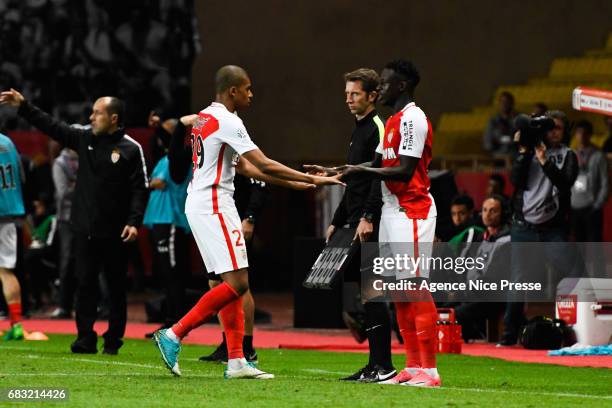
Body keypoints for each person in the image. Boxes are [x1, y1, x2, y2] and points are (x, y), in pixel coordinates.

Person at [153, 65, 343, 379]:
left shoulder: (204, 117)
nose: (251, 94)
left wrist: (297, 185)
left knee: (226, 283)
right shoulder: (229, 121)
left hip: (201, 202)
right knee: (238, 283)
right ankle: (174, 333)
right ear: (233, 91)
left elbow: (243, 168)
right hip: (214, 203)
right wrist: (311, 177)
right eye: (248, 89)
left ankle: (237, 360)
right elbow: (263, 162)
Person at [319, 59, 441, 387]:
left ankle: (430, 370)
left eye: (385, 84)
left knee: (415, 288)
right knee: (399, 293)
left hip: (411, 211)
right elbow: (376, 163)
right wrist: (339, 172)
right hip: (391, 212)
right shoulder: (393, 121)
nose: (381, 89)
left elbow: (404, 170)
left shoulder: (414, 118)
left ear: (402, 86)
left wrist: (361, 172)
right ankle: (412, 365)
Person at [0, 89, 149, 355]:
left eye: (97, 113)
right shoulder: (84, 139)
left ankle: (113, 340)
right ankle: (85, 338)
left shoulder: (131, 149)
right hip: (84, 229)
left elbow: (141, 189)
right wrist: (24, 106)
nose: (91, 117)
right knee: (85, 285)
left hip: (117, 232)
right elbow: (53, 127)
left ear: (114, 118)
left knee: (115, 288)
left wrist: (134, 222)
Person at [309, 68, 392, 382]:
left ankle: (383, 365)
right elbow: (353, 182)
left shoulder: (377, 128)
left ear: (372, 96)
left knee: (374, 293)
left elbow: (378, 178)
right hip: (355, 222)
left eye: (354, 94)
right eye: (346, 94)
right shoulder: (358, 130)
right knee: (365, 294)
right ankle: (375, 364)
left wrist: (368, 217)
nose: (348, 99)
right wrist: (337, 220)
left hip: (371, 223)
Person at [500, 110, 579, 346]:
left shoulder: (568, 155)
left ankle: (577, 330)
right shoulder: (527, 150)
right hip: (524, 226)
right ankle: (508, 337)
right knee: (518, 281)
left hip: (552, 228)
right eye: (549, 127)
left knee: (575, 275)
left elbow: (565, 183)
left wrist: (545, 161)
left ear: (565, 132)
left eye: (558, 128)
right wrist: (525, 152)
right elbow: (516, 181)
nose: (553, 131)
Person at [199, 172, 268, 364]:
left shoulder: (241, 146)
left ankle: (247, 346)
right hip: (216, 222)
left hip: (235, 222)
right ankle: (227, 343)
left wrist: (250, 218)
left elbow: (260, 184)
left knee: (238, 283)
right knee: (215, 282)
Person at [142, 147, 191, 338]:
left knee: (172, 273)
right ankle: (172, 322)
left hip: (169, 219)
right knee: (169, 273)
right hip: (164, 219)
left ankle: (176, 324)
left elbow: (159, 182)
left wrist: (146, 182)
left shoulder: (169, 160)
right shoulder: (174, 160)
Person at [455, 195, 510, 341]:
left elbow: (496, 276)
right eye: (485, 210)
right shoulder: (481, 237)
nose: (487, 214)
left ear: (503, 213)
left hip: (493, 296)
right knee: (440, 307)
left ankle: (474, 337)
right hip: (473, 291)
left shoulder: (508, 241)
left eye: (493, 211)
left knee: (457, 314)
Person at [0, 132, 26, 340]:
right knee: (6, 272)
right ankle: (16, 324)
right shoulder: (8, 142)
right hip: (8, 213)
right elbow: (22, 176)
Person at [50, 147, 78, 319]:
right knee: (67, 261)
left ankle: (85, 304)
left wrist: (76, 184)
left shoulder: (85, 159)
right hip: (66, 219)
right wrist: (81, 185)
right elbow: (63, 192)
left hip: (84, 217)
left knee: (85, 262)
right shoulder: (60, 163)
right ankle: (63, 305)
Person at [570, 120, 609, 242]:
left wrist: (597, 205)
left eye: (585, 133)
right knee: (579, 245)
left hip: (592, 208)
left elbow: (606, 183)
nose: (581, 136)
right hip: (574, 207)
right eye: (579, 133)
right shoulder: (572, 154)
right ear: (575, 135)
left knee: (594, 246)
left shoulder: (599, 155)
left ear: (590, 135)